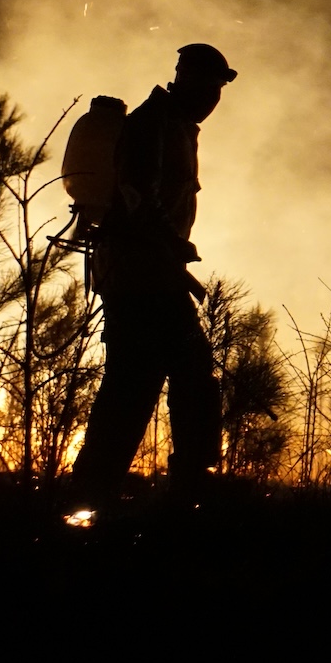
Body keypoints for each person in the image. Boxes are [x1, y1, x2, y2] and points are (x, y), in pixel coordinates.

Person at [69, 43, 237, 511]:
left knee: (153, 380)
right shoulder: (151, 124)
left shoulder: (178, 128)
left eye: (218, 89)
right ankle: (178, 494)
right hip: (138, 274)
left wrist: (173, 259)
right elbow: (138, 194)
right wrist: (173, 246)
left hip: (151, 271)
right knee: (152, 380)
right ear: (183, 79)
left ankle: (100, 495)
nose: (212, 98)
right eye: (207, 86)